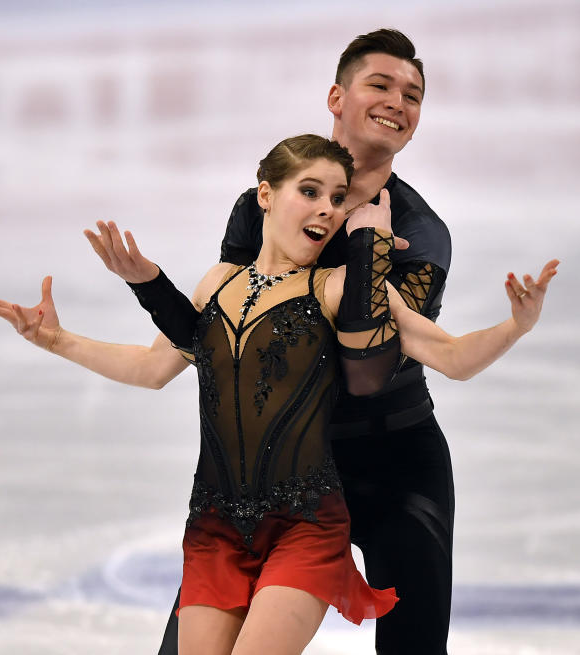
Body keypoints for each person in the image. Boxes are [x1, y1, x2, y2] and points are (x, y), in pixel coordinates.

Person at [0, 135, 558, 655]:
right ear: (265, 195)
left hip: (305, 524)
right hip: (216, 525)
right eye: (310, 191)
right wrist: (53, 339)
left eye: (336, 198)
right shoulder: (217, 284)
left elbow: (452, 358)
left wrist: (515, 327)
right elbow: (152, 368)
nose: (326, 209)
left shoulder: (340, 287)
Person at [164, 28, 455, 655]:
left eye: (414, 94)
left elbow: (363, 367)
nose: (397, 101)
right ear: (336, 97)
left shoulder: (419, 234)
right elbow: (229, 333)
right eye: (380, 84)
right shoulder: (261, 205)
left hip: (391, 461)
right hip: (275, 473)